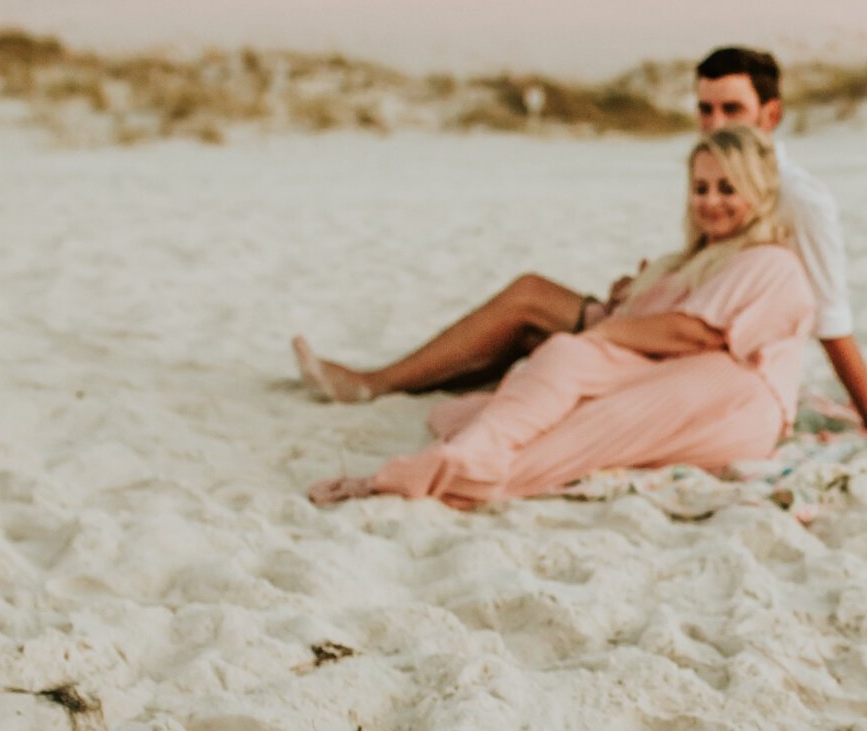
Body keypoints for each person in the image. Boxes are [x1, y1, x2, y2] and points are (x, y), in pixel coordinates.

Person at [293, 44, 867, 432]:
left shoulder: (800, 197)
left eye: (731, 110)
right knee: (533, 308)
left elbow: (831, 313)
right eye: (705, 110)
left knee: (533, 305)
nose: (715, 123)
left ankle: (376, 384)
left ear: (770, 116)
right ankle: (408, 381)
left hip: (700, 352)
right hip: (667, 314)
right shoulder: (719, 177)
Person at [306, 128, 813, 509]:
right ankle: (467, 459)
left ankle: (448, 476)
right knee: (481, 407)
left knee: (575, 381)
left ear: (759, 192)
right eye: (700, 189)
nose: (711, 202)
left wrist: (604, 330)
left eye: (728, 188)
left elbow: (694, 331)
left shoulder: (769, 260)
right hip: (680, 372)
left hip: (734, 394)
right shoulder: (700, 260)